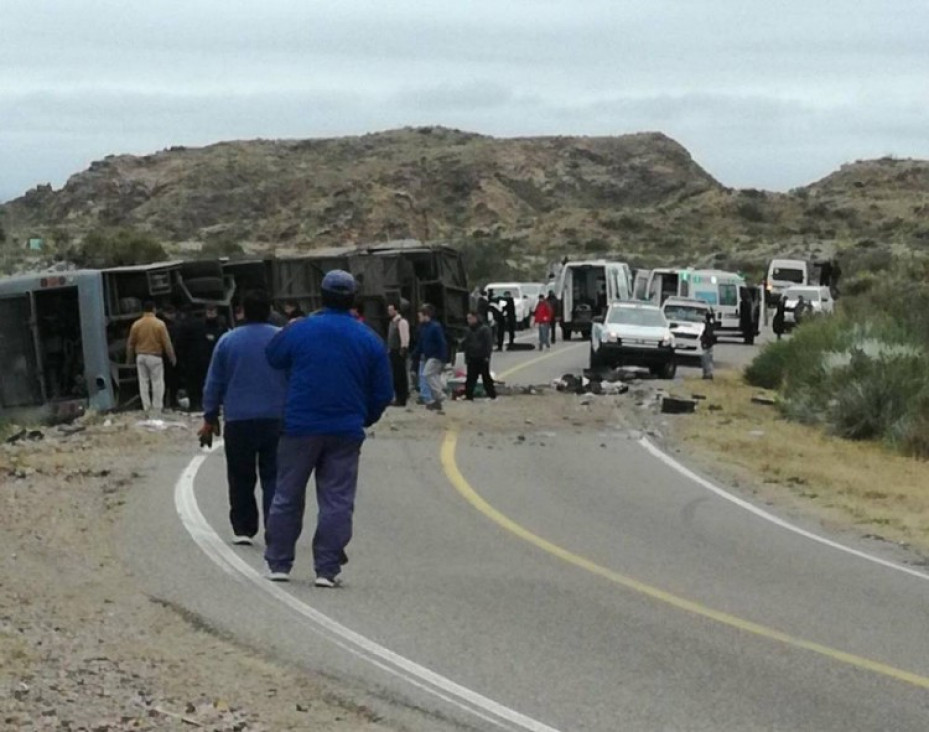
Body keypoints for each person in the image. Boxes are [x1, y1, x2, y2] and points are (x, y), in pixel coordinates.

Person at [263, 270, 393, 586]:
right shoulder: (369, 338)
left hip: (299, 426)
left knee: (287, 494)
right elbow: (383, 391)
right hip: (345, 429)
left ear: (321, 297)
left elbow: (273, 355)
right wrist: (366, 417)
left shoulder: (301, 329)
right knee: (337, 499)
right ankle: (327, 567)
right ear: (353, 299)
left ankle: (280, 562)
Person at [200, 290, 288, 545]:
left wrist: (210, 416)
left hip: (238, 420)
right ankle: (276, 525)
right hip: (276, 419)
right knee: (274, 476)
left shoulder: (228, 341)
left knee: (240, 476)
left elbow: (214, 382)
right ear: (269, 310)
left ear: (242, 312)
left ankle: (244, 528)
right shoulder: (281, 339)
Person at [126, 301, 177, 415]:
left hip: (140, 357)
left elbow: (130, 343)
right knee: (157, 382)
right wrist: (172, 357)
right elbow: (167, 343)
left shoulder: (136, 324)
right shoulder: (160, 324)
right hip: (155, 357)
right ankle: (157, 407)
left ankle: (146, 407)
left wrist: (129, 359)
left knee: (143, 382)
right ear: (154, 310)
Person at [413, 303, 448, 413]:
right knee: (432, 376)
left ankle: (440, 395)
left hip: (435, 356)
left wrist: (444, 358)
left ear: (425, 315)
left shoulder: (435, 327)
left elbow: (442, 343)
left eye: (420, 316)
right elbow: (421, 344)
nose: (418, 318)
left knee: (427, 374)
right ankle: (437, 402)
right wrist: (415, 354)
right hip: (429, 356)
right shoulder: (423, 328)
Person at [461, 312, 497, 401]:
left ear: (475, 318)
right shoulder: (468, 330)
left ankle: (492, 395)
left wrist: (487, 356)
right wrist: (467, 357)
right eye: (468, 318)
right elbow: (466, 345)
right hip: (472, 357)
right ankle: (468, 395)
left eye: (470, 318)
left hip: (482, 357)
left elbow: (488, 344)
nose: (468, 320)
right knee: (470, 378)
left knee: (486, 377)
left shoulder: (484, 329)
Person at [387, 302, 410, 407]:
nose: (389, 312)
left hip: (399, 351)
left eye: (391, 310)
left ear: (396, 310)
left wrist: (403, 349)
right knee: (395, 375)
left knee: (400, 376)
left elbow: (405, 337)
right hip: (392, 351)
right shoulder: (392, 322)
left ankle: (402, 398)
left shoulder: (401, 322)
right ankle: (398, 397)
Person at [700, 310, 716, 380]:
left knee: (706, 359)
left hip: (707, 344)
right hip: (709, 344)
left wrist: (704, 341)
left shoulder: (707, 325)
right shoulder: (710, 325)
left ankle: (707, 374)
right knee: (708, 359)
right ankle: (707, 373)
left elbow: (708, 335)